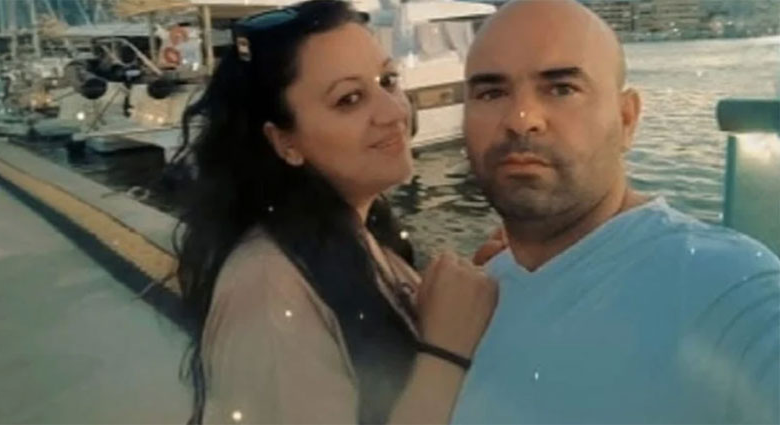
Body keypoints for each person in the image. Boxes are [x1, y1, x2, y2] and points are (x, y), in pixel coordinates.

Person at [451, 0, 780, 423]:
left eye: (561, 89)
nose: (521, 119)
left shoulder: (725, 286)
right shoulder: (474, 299)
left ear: (626, 119)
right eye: (491, 93)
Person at [171, 1, 498, 423]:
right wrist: (447, 350)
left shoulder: (356, 235)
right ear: (285, 141)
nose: (395, 112)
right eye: (349, 99)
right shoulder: (267, 291)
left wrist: (466, 296)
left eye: (388, 81)